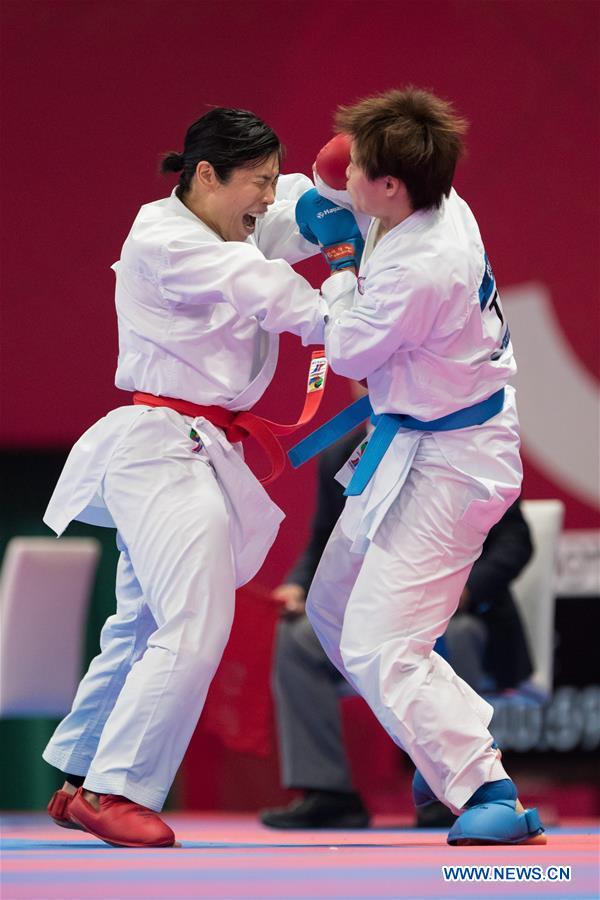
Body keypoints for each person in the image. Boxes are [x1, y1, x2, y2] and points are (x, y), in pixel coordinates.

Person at [40, 107, 360, 848]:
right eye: (259, 183)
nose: (268, 199)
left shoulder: (226, 224)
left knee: (147, 622)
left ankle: (84, 776)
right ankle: (117, 790)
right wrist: (345, 276)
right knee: (195, 618)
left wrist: (330, 196)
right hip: (162, 449)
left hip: (192, 448)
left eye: (275, 183)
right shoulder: (166, 237)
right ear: (206, 175)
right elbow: (278, 295)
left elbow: (282, 230)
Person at [290, 88, 546, 845]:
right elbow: (356, 171)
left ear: (392, 185)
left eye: (361, 169)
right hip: (416, 439)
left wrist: (338, 256)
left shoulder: (423, 267)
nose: (349, 173)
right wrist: (333, 186)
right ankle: (440, 749)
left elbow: (347, 351)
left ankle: (487, 789)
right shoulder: (432, 196)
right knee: (332, 610)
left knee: (380, 643)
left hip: (457, 460)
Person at [260, 439, 533, 828]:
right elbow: (323, 542)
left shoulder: (460, 445)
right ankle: (327, 792)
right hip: (372, 611)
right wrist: (300, 586)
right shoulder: (346, 455)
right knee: (301, 637)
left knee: (452, 634)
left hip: (460, 611)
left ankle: (459, 779)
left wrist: (463, 591)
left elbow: (514, 542)